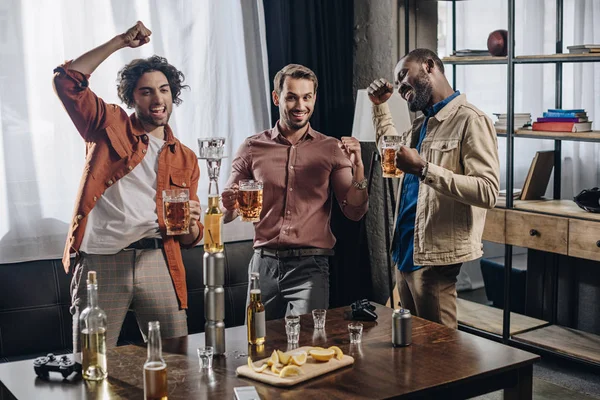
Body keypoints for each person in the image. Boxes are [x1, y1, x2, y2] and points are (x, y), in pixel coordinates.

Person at [53, 21, 204, 349]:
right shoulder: (107, 124)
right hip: (102, 261)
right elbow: (66, 82)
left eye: (164, 89)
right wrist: (120, 41)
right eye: (146, 91)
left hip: (159, 259)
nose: (157, 98)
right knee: (93, 361)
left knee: (176, 361)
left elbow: (191, 238)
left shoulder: (187, 158)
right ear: (131, 97)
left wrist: (192, 223)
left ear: (173, 95)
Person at [221, 64, 369, 320]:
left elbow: (354, 210)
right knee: (257, 344)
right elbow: (228, 213)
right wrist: (229, 203)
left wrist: (358, 169)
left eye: (306, 97)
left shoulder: (331, 148)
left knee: (307, 348)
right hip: (263, 264)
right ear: (277, 97)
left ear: (314, 98)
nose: (300, 105)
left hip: (310, 266)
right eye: (291, 97)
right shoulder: (251, 147)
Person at [368, 48, 499, 329]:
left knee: (440, 353)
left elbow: (488, 191)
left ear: (429, 66)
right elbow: (392, 151)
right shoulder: (422, 123)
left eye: (404, 74)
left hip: (435, 259)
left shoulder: (471, 120)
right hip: (405, 252)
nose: (400, 85)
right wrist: (380, 106)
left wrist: (424, 169)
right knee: (412, 349)